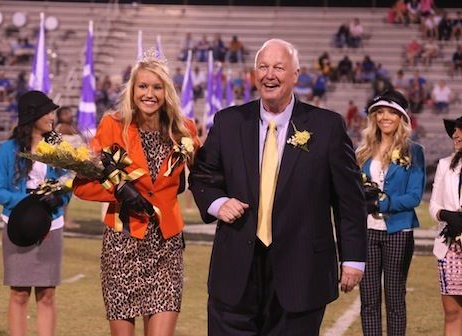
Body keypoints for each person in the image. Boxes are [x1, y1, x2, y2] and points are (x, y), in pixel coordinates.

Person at [189, 38, 367, 335]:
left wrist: (352, 258)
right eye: (263, 66)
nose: (269, 74)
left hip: (302, 270)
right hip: (235, 269)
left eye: (279, 67)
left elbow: (349, 199)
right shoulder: (228, 121)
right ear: (254, 73)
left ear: (296, 74)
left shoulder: (327, 126)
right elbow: (202, 176)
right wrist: (218, 203)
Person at [73, 51, 199, 336]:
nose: (149, 94)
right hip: (122, 247)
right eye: (143, 86)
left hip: (166, 247)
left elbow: (206, 173)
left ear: (167, 91)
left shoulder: (184, 129)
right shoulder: (113, 125)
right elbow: (82, 184)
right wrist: (119, 190)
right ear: (132, 90)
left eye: (157, 87)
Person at [0, 90, 71, 336]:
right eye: (47, 112)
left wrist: (59, 197)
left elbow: (68, 183)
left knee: (47, 293)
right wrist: (30, 203)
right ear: (32, 115)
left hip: (52, 224)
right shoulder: (8, 149)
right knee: (19, 292)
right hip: (17, 225)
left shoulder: (58, 146)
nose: (51, 116)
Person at [355, 89, 426, 336]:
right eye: (380, 112)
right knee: (369, 300)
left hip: (399, 231)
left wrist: (380, 205)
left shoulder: (414, 151)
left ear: (402, 118)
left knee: (395, 300)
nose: (385, 117)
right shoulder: (362, 152)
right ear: (374, 117)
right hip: (367, 233)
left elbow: (414, 196)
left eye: (392, 112)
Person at [430, 116, 462, 336]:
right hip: (451, 246)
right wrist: (446, 215)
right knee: (452, 312)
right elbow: (434, 205)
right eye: (454, 131)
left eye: (460, 130)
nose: (455, 135)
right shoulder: (445, 164)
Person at [55, 106, 83, 229]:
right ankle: (62, 219)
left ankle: (64, 218)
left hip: (73, 166)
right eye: (65, 113)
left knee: (67, 194)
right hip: (63, 167)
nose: (69, 115)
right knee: (62, 193)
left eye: (70, 112)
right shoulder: (60, 128)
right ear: (59, 116)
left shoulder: (73, 128)